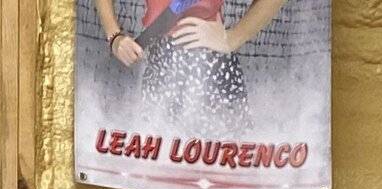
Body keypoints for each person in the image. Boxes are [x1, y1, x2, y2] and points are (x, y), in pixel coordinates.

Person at [93, 0, 295, 113]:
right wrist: (114, 36)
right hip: (158, 63)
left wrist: (232, 39)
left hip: (210, 68)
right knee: (160, 159)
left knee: (218, 166)